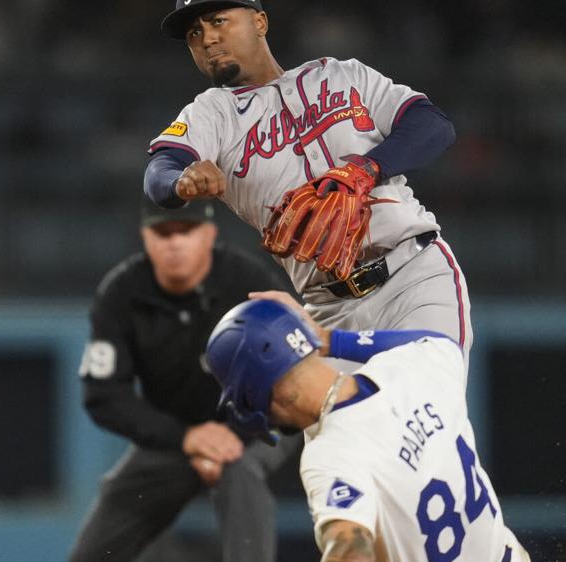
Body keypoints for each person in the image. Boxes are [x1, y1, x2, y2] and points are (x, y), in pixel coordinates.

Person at [144, 0, 473, 358]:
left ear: (259, 22)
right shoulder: (210, 114)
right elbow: (160, 172)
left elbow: (431, 125)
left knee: (428, 393)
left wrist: (367, 170)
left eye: (218, 21)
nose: (207, 39)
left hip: (414, 274)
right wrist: (182, 180)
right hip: (328, 308)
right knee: (343, 416)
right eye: (195, 33)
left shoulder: (342, 75)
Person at [204, 293, 545, 562]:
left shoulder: (331, 452)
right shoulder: (416, 364)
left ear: (258, 390)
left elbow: (351, 546)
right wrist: (330, 341)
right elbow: (435, 340)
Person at [68, 199, 296, 562]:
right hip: (178, 434)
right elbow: (103, 394)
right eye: (163, 233)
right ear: (146, 239)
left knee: (240, 473)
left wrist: (232, 435)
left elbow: (287, 375)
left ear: (209, 235)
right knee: (94, 557)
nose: (175, 243)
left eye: (185, 231)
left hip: (258, 423)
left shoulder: (245, 281)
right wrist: (188, 440)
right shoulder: (122, 292)